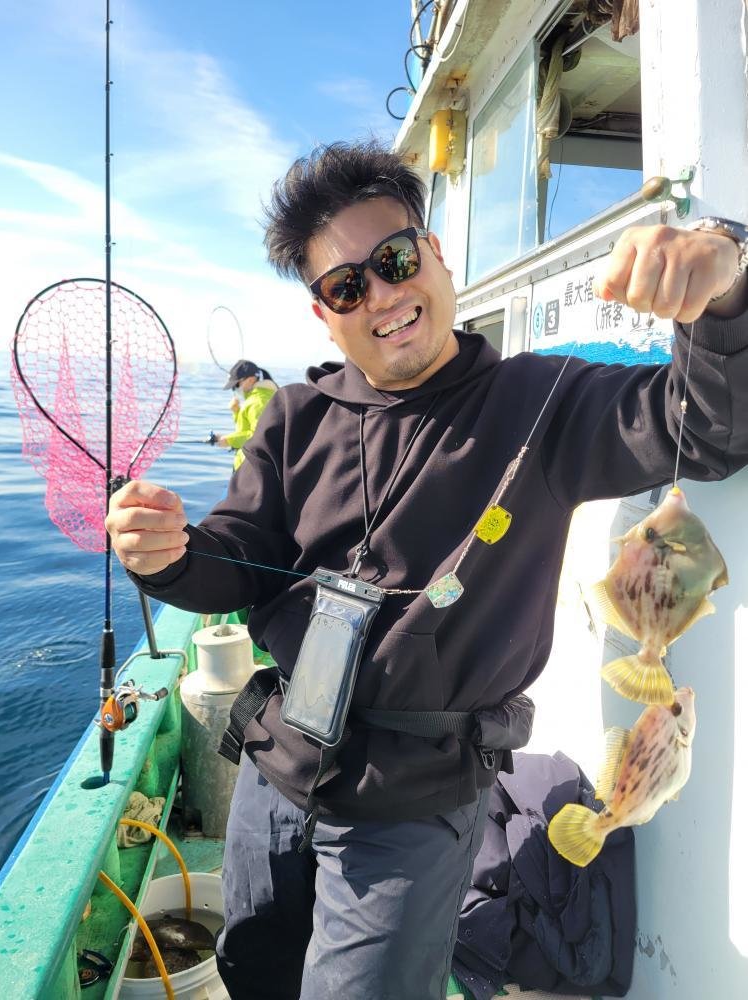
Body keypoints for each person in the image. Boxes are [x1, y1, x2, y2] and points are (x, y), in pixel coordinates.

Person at [105, 141, 748, 1000]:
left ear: (435, 255)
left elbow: (706, 427)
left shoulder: (544, 402)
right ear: (324, 313)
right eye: (346, 286)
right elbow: (235, 561)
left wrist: (726, 280)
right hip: (276, 766)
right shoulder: (293, 418)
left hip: (416, 800)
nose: (380, 295)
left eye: (395, 261)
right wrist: (167, 557)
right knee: (253, 969)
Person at [214, 359, 278, 471]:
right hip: (251, 466)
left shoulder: (257, 402)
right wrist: (236, 412)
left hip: (252, 469)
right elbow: (247, 428)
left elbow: (259, 436)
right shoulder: (257, 399)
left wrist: (229, 440)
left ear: (251, 380)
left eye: (236, 385)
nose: (235, 389)